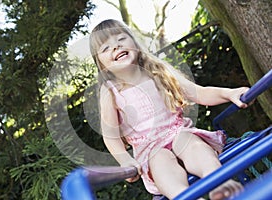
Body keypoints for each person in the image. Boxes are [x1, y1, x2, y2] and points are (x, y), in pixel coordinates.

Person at [89, 19, 248, 200]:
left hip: (178, 132)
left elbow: (199, 93)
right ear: (100, 64)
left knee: (193, 145)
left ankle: (220, 183)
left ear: (134, 42)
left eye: (121, 39)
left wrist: (230, 94)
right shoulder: (110, 90)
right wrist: (124, 159)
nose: (116, 47)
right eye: (106, 48)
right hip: (150, 149)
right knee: (161, 163)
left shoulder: (156, 70)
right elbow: (111, 136)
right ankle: (185, 197)